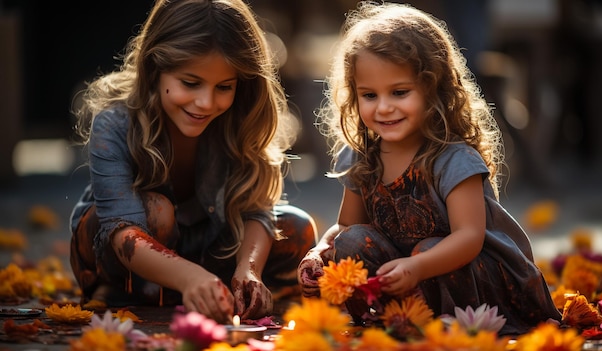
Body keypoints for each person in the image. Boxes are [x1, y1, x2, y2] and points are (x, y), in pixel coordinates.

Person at [297, 1, 561, 335]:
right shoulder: (363, 155)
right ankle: (397, 317)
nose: (384, 107)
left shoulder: (453, 158)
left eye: (399, 92)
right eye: (369, 95)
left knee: (429, 247)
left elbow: (469, 237)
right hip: (409, 276)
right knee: (351, 242)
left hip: (478, 280)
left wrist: (418, 265)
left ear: (433, 88)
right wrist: (320, 251)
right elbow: (347, 225)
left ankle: (445, 325)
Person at [69, 0, 317, 324]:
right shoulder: (114, 125)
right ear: (156, 66)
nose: (205, 102)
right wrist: (189, 278)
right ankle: (129, 293)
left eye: (224, 87)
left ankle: (209, 291)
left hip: (206, 245)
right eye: (190, 83)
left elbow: (258, 209)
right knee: (158, 212)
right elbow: (122, 232)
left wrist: (248, 270)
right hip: (122, 254)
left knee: (296, 227)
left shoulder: (240, 120)